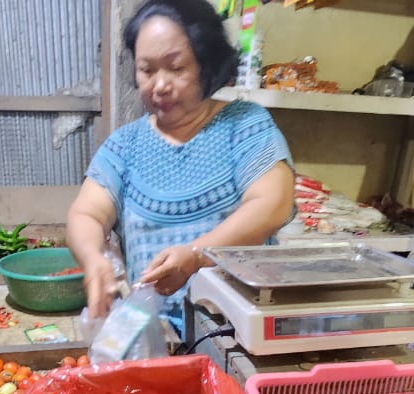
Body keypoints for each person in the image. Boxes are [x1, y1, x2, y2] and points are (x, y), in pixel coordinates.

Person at [66, 0, 295, 334]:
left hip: (237, 337)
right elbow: (85, 214)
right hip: (155, 336)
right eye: (147, 70)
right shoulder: (124, 145)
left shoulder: (244, 125)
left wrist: (196, 255)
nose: (159, 84)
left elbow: (273, 205)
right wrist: (93, 259)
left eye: (175, 68)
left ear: (206, 63)